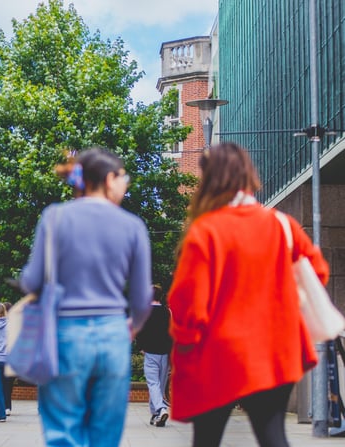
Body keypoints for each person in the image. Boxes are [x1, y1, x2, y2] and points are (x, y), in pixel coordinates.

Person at [168, 142, 329, 447]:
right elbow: (317, 271)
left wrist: (185, 345)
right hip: (275, 350)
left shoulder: (206, 231)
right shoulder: (282, 225)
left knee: (206, 438)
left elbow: (189, 304)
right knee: (272, 435)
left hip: (220, 354)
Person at [20, 147, 153, 446]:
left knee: (63, 433)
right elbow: (142, 298)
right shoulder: (133, 226)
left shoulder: (54, 217)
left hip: (64, 336)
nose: (126, 183)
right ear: (108, 179)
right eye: (123, 177)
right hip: (113, 336)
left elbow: (31, 280)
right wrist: (130, 327)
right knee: (105, 437)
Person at [135, 285, 173, 427]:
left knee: (153, 384)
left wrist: (141, 348)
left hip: (150, 352)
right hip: (164, 353)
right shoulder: (167, 312)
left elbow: (139, 331)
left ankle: (161, 409)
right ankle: (156, 414)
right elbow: (171, 332)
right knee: (159, 385)